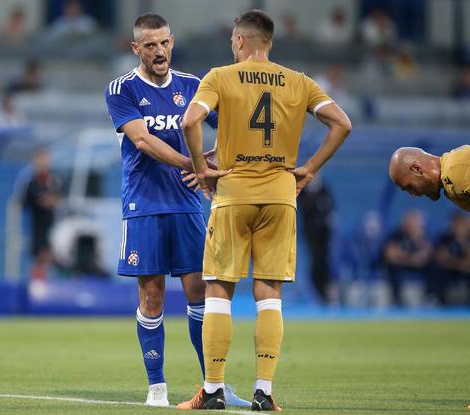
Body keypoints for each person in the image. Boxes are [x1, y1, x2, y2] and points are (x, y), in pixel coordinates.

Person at [179, 9, 351, 410]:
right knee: (269, 293)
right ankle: (264, 392)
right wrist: (309, 167)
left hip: (234, 193)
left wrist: (204, 170)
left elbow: (191, 121)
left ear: (240, 40)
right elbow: (342, 123)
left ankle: (213, 390)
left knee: (219, 289)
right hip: (280, 195)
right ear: (269, 41)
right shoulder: (300, 82)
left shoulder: (220, 76)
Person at [103, 13, 248, 408]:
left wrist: (215, 156)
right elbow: (143, 141)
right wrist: (195, 165)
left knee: (198, 293)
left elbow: (234, 125)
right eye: (149, 45)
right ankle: (157, 387)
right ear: (137, 49)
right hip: (144, 205)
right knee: (151, 297)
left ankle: (212, 386)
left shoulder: (192, 86)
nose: (159, 51)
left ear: (172, 42)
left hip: (186, 206)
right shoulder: (121, 89)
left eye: (164, 43)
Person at [389, 145, 470, 410]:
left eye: (408, 187)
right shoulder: (455, 170)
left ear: (417, 168)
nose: (413, 195)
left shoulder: (454, 175)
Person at [22, 149, 61, 280]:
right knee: (39, 258)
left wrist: (51, 201)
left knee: (49, 257)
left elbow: (57, 199)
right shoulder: (32, 184)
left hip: (52, 226)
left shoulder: (53, 181)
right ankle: (38, 283)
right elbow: (32, 201)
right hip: (38, 227)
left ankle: (48, 282)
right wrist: (46, 201)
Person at [297, 173, 335, 303]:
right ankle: (316, 294)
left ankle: (325, 294)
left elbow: (331, 205)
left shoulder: (323, 187)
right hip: (310, 234)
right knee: (314, 263)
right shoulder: (304, 190)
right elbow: (305, 208)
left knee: (324, 263)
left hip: (324, 233)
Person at [382, 210, 432, 306]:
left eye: (415, 222)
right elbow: (390, 255)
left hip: (419, 272)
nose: (412, 224)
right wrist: (410, 259)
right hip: (400, 272)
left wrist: (403, 256)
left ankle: (431, 298)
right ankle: (397, 300)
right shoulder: (396, 235)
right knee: (393, 267)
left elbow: (425, 256)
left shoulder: (422, 237)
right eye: (410, 221)